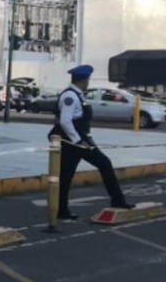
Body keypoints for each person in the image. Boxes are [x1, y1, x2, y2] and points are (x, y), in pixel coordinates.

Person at [49, 64, 134, 220]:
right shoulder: (70, 96)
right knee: (100, 165)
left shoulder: (77, 94)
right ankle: (116, 200)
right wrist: (78, 141)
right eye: (88, 80)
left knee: (69, 174)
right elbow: (65, 121)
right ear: (83, 80)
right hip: (74, 143)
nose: (88, 83)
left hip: (80, 142)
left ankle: (62, 209)